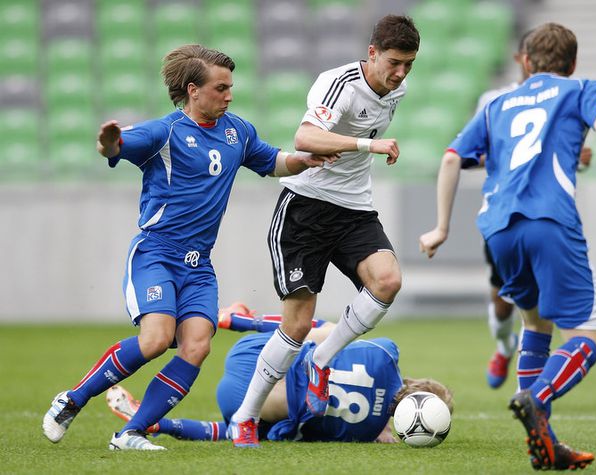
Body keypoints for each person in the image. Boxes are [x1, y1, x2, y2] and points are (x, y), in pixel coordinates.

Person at [419, 23, 596, 471]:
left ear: (525, 61)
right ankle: (537, 397)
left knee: (535, 326)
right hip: (550, 222)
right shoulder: (581, 88)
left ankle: (545, 444)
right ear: (573, 63)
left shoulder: (498, 103)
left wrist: (441, 228)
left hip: (499, 229)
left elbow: (451, 158)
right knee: (588, 337)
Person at [41, 44, 335, 451]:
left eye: (231, 87)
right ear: (193, 90)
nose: (229, 95)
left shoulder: (238, 131)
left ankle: (130, 433)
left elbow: (275, 162)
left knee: (197, 345)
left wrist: (307, 159)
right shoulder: (165, 132)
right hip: (156, 253)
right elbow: (115, 147)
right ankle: (71, 400)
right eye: (221, 88)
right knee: (156, 339)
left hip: (199, 265)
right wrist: (108, 143)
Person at [228, 15, 421, 447]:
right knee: (296, 324)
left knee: (387, 280)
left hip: (353, 209)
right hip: (305, 211)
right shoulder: (339, 83)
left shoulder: (397, 89)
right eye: (394, 62)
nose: (401, 73)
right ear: (372, 52)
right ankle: (245, 416)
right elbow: (306, 137)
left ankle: (323, 360)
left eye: (409, 64)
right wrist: (369, 145)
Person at [105, 301, 454, 444]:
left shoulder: (387, 353)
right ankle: (161, 425)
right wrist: (380, 429)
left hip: (255, 352)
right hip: (239, 403)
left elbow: (344, 338)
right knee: (275, 428)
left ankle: (238, 320)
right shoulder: (366, 432)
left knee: (327, 331)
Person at [472, 31, 592, 390]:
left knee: (539, 312)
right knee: (503, 305)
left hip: (546, 216)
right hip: (503, 214)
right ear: (521, 58)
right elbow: (473, 153)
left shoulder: (564, 98)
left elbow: (562, 153)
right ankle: (504, 348)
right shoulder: (494, 100)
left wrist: (581, 160)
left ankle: (535, 390)